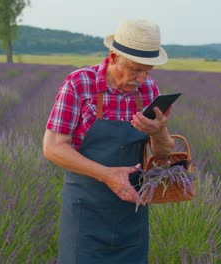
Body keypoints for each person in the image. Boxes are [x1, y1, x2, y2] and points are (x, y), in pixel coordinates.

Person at [42, 19, 175, 264]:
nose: (142, 78)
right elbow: (53, 147)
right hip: (85, 214)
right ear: (113, 57)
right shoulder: (79, 84)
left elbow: (163, 154)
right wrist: (107, 175)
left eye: (148, 70)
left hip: (131, 213)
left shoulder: (148, 91)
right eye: (135, 69)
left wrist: (159, 131)